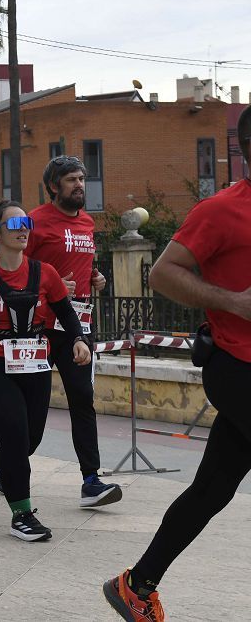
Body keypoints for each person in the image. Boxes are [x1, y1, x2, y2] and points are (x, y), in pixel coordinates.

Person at [103, 106, 251, 621]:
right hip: (239, 367)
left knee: (212, 489)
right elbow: (163, 274)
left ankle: (136, 585)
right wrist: (234, 303)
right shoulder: (222, 210)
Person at [0, 200, 90, 542]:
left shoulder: (44, 273)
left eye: (26, 224)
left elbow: (66, 313)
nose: (23, 230)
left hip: (35, 363)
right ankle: (22, 515)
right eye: (14, 224)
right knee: (15, 437)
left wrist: (79, 339)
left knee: (30, 439)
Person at [25, 155, 122, 508]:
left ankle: (91, 481)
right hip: (39, 326)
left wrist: (95, 277)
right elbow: (14, 268)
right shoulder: (32, 221)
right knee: (33, 410)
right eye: (71, 180)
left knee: (83, 399)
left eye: (81, 178)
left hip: (77, 325)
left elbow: (81, 263)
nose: (80, 185)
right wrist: (47, 285)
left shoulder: (87, 222)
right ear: (54, 186)